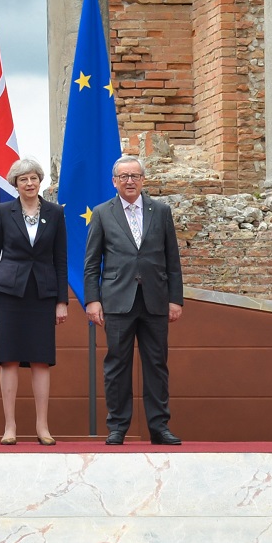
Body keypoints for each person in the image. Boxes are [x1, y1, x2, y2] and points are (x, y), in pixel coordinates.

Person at [84, 155, 184, 446]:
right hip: (117, 300)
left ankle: (159, 427)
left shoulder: (161, 211)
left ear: (143, 180)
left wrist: (175, 299)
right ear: (114, 181)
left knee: (156, 364)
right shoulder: (102, 213)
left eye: (135, 176)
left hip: (155, 299)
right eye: (124, 177)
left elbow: (172, 259)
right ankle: (117, 427)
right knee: (117, 365)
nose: (130, 181)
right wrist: (92, 300)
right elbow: (91, 263)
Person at [0, 157, 68, 446]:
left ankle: (42, 426)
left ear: (40, 181)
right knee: (9, 358)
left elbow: (60, 260)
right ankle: (10, 426)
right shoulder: (3, 211)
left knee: (41, 359)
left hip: (42, 294)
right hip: (8, 293)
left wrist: (62, 301)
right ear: (15, 184)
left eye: (33, 178)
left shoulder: (55, 213)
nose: (29, 183)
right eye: (23, 179)